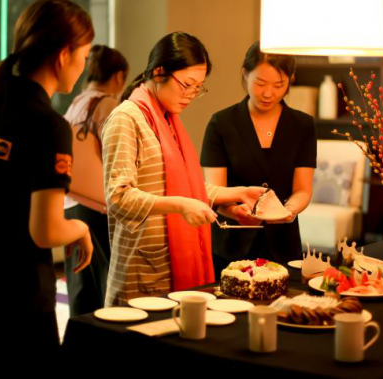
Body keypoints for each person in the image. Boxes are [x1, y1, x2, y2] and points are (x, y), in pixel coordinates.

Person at [0, 0, 94, 375]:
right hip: (14, 311)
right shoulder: (49, 125)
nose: (84, 65)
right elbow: (46, 231)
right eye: (84, 55)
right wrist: (81, 227)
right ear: (63, 55)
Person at [102, 32, 265, 306]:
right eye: (187, 85)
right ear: (159, 72)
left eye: (198, 88)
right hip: (143, 270)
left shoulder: (167, 119)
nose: (191, 95)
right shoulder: (126, 119)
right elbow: (118, 198)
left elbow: (185, 188)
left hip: (169, 265)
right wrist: (180, 205)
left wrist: (237, 193)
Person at [201, 41, 316, 277]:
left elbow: (303, 189)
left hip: (283, 244)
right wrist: (236, 211)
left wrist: (287, 211)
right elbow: (214, 191)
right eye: (260, 83)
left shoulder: (302, 125)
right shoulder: (221, 124)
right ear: (245, 74)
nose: (268, 93)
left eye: (279, 85)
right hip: (231, 244)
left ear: (290, 80)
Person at [63, 45, 129, 316]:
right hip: (95, 205)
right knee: (103, 279)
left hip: (69, 200)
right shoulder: (108, 105)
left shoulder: (77, 102)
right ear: (119, 76)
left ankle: (78, 334)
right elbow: (114, 157)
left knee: (79, 279)